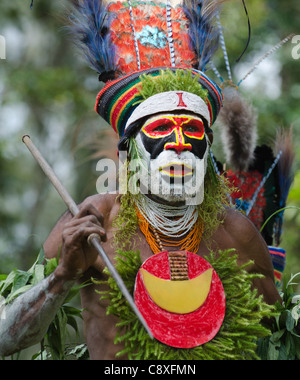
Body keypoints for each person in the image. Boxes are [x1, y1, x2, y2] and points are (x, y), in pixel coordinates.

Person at [0, 0, 283, 360]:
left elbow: (279, 333)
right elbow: (5, 337)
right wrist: (62, 277)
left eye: (192, 131)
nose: (178, 144)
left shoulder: (236, 232)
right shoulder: (94, 222)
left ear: (208, 146)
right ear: (131, 148)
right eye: (162, 129)